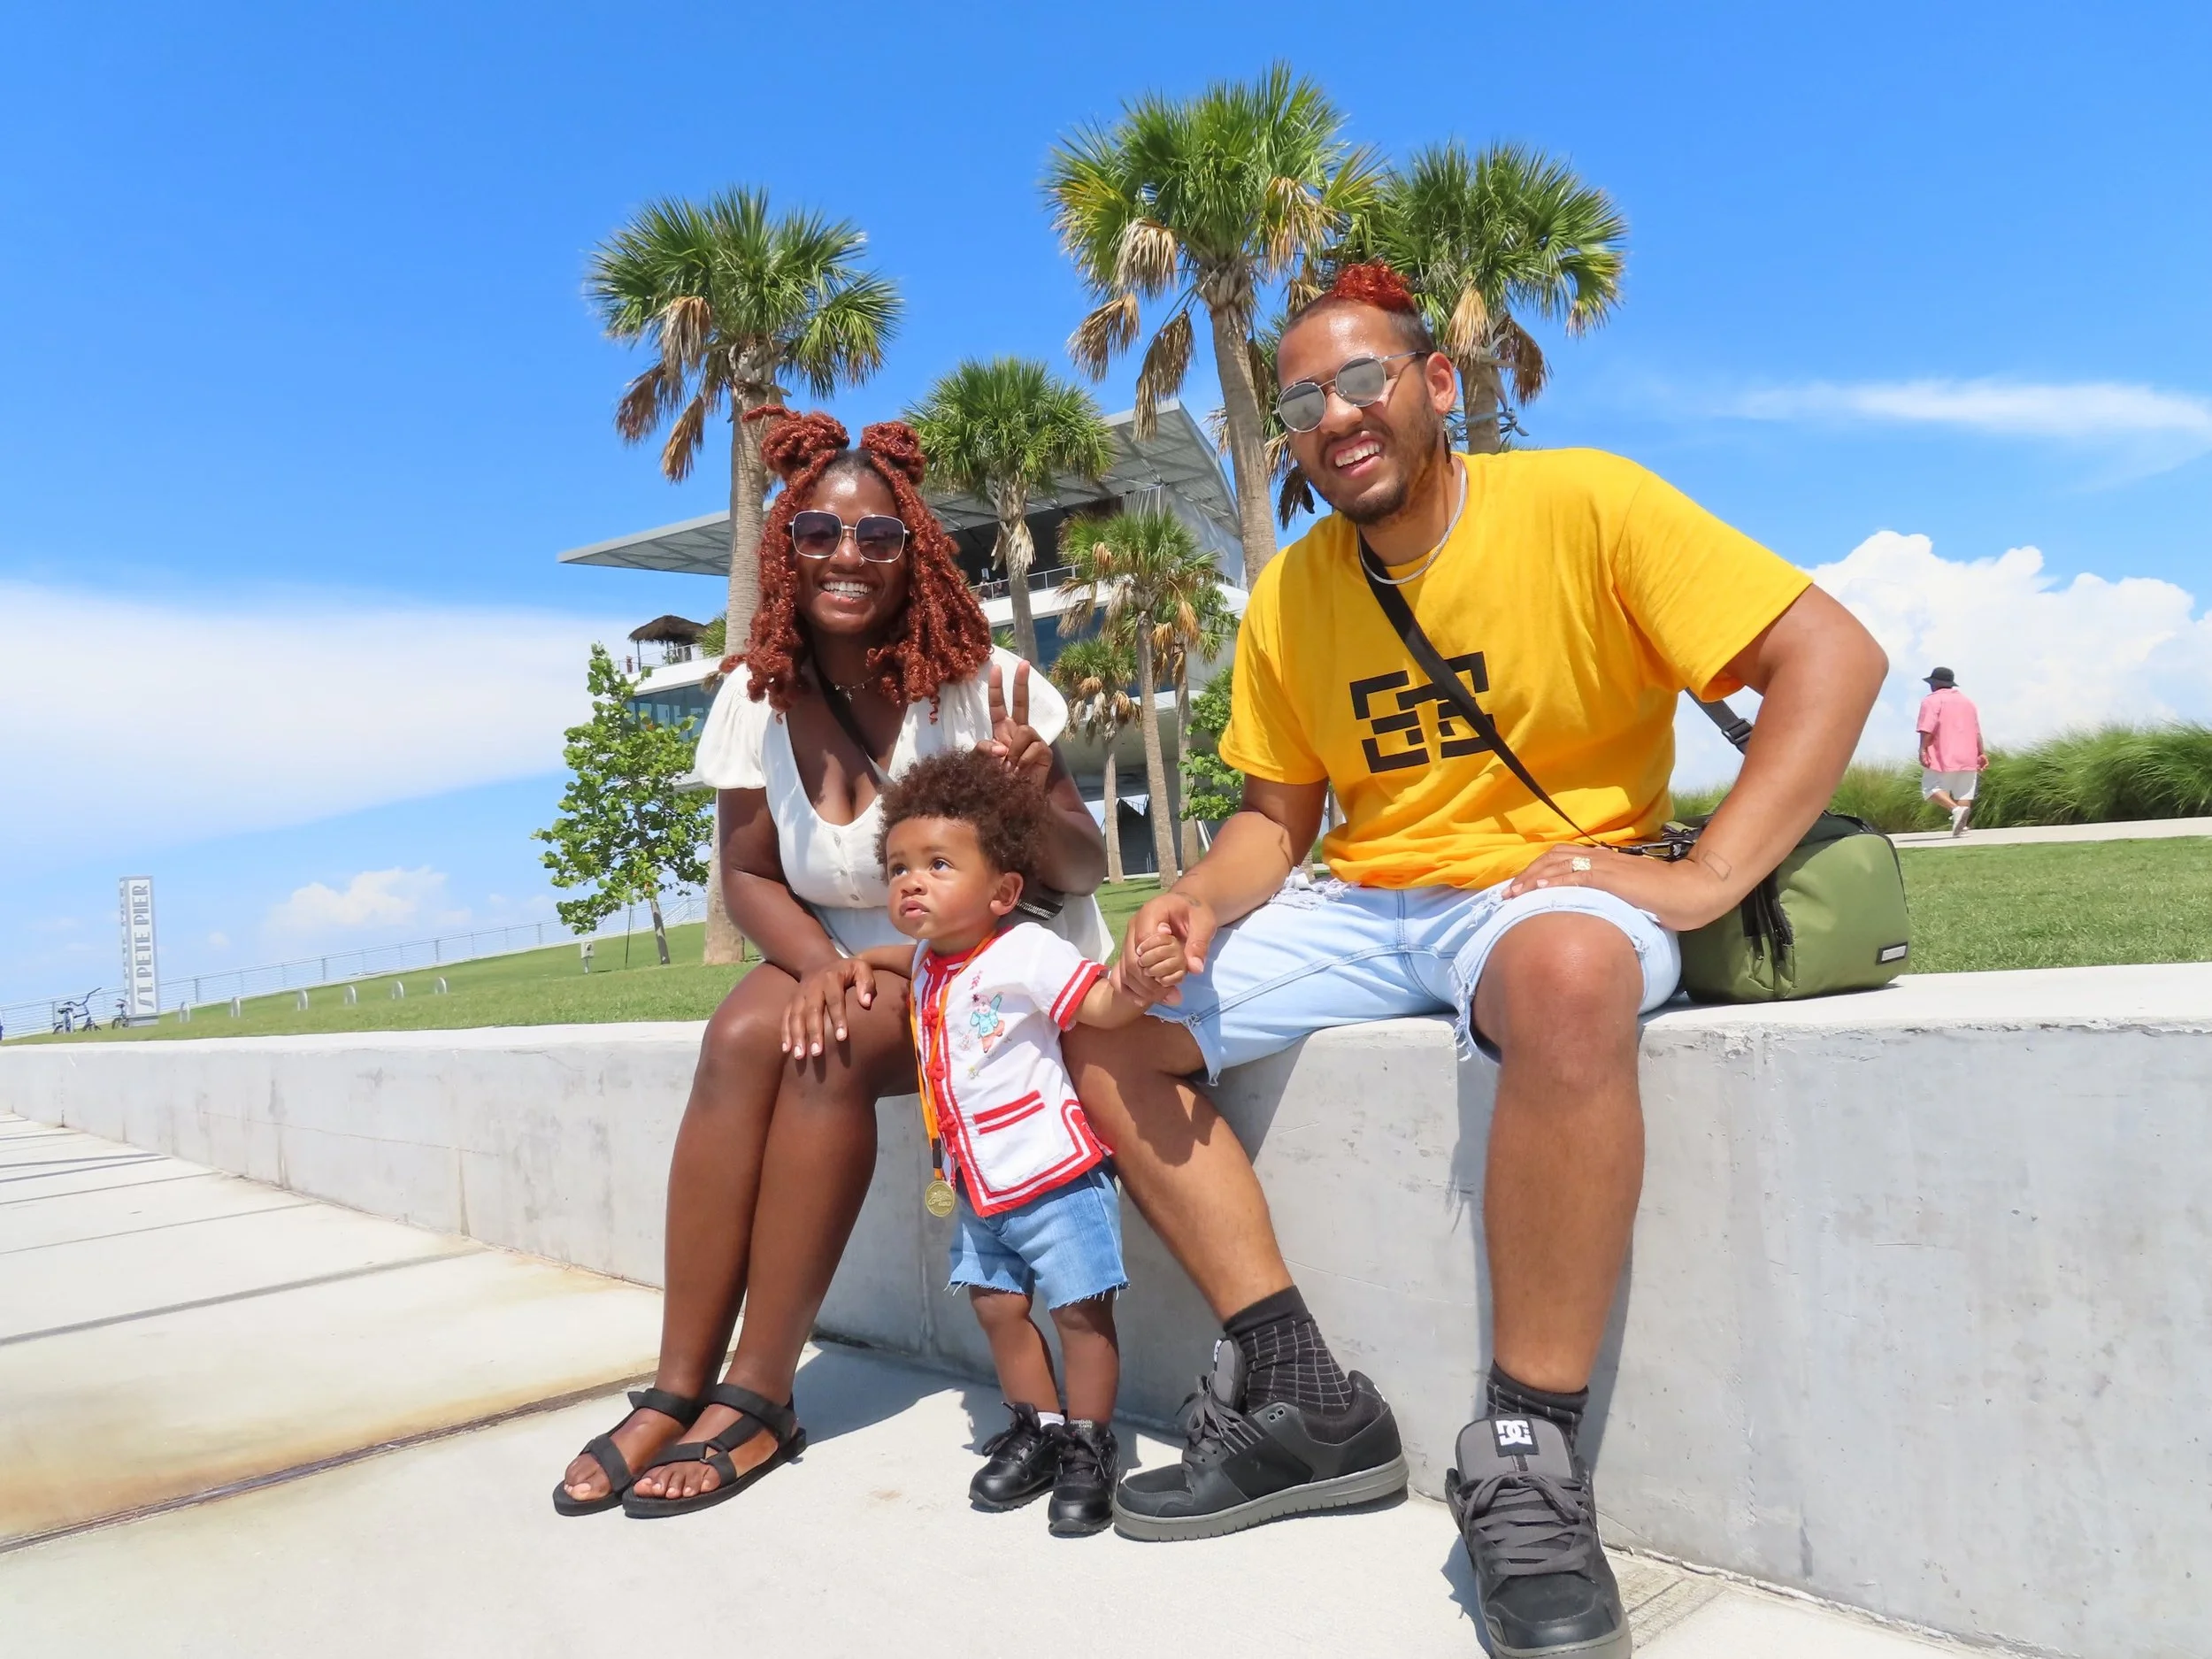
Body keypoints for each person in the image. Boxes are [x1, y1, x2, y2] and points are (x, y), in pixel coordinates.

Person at [1065, 264, 1886, 1655]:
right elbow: (1276, 819)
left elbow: (1833, 654)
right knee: (1101, 1021)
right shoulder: (1294, 590)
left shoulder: (1585, 503)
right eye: (1302, 403)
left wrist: (1708, 876)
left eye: (1362, 379)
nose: (1335, 417)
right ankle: (1302, 1393)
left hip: (1547, 881)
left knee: (1568, 974)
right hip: (1366, 897)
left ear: (1437, 383)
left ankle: (1525, 1455)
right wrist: (1192, 901)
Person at [551, 410, 1110, 1520]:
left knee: (825, 1053)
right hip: (849, 957)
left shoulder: (980, 685)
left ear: (914, 553)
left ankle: (761, 1395)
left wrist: (1033, 789)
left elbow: (1084, 867)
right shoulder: (756, 694)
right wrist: (816, 964)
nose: (846, 555)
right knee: (738, 1034)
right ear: (785, 549)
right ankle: (676, 1386)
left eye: (876, 536)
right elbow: (748, 872)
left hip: (983, 970)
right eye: (818, 532)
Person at [782, 749, 1187, 1535]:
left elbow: (1098, 1005)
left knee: (1081, 1314)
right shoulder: (929, 962)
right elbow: (902, 960)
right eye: (898, 867)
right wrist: (852, 960)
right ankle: (1037, 1426)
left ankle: (1090, 1445)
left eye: (938, 864)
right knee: (999, 1308)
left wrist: (1137, 982)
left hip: (1055, 1177)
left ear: (1002, 891)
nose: (911, 881)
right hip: (978, 1187)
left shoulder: (1026, 951)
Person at [1917, 666, 1986, 835]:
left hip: (1943, 753)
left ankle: (1955, 810)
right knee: (1964, 791)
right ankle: (1962, 826)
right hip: (1969, 754)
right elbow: (1976, 730)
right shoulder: (1967, 702)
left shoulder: (1931, 701)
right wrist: (1981, 753)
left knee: (1930, 789)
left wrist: (1923, 749)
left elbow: (1927, 727)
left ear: (1934, 683)